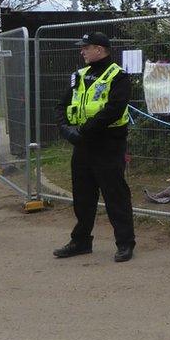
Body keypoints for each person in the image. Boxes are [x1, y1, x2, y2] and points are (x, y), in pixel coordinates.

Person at [52, 31, 135, 262]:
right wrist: (66, 130)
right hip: (81, 145)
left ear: (99, 49)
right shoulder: (79, 75)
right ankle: (80, 242)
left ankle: (125, 243)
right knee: (82, 196)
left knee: (115, 196)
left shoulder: (119, 77)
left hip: (108, 144)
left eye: (86, 47)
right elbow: (61, 105)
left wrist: (83, 132)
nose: (82, 51)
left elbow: (113, 110)